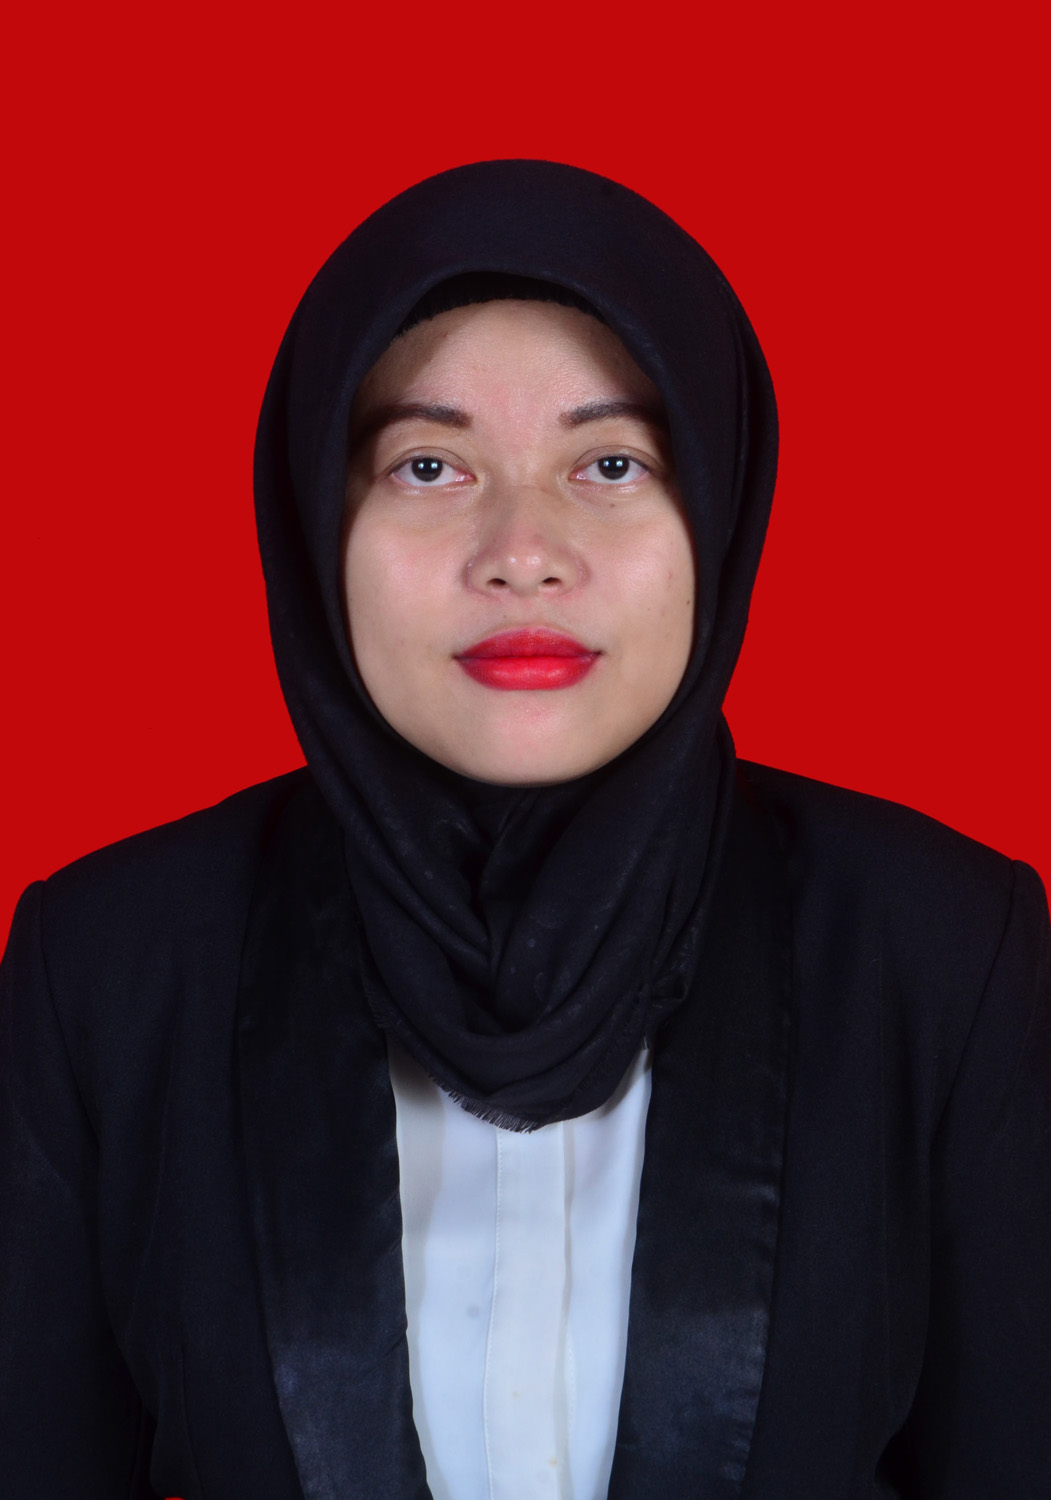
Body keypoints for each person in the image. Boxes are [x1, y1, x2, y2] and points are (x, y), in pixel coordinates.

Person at [0, 159, 1048, 1500]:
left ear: (718, 510)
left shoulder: (940, 953)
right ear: (317, 518)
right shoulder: (111, 969)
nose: (522, 549)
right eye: (428, 465)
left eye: (610, 463)